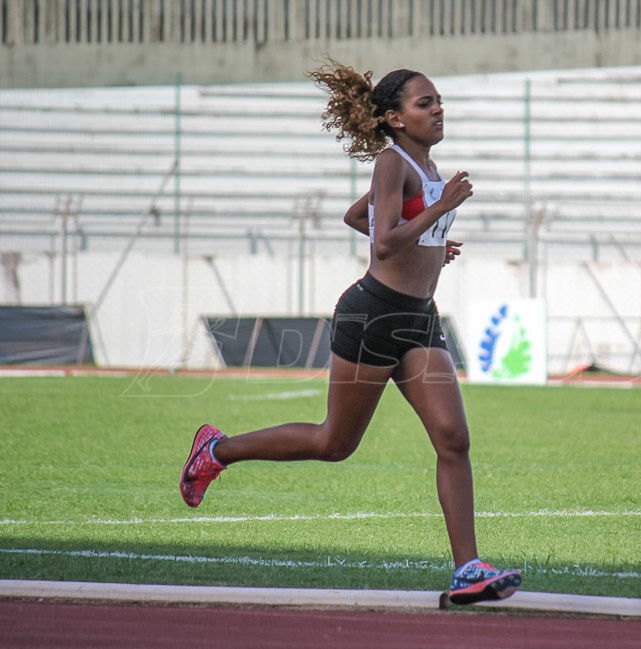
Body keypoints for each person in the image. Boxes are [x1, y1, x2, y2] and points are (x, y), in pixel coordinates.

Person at [179, 60, 521, 606]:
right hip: (373, 315)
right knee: (334, 443)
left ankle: (468, 569)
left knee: (453, 438)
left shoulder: (426, 166)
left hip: (418, 319)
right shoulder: (393, 162)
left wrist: (432, 238)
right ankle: (217, 450)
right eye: (424, 103)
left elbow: (355, 218)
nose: (438, 110)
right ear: (394, 118)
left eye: (438, 101)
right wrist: (440, 209)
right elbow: (382, 242)